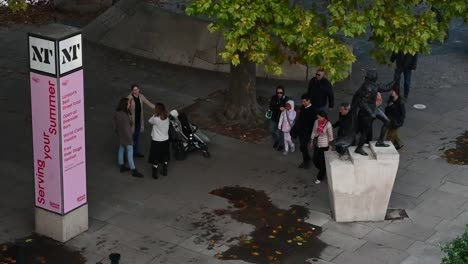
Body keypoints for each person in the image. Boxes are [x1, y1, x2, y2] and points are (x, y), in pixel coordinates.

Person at [353, 70, 392, 156]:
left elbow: (386, 88)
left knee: (387, 121)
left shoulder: (375, 84)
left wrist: (395, 80)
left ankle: (380, 141)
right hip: (367, 112)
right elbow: (362, 103)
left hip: (374, 108)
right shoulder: (366, 87)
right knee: (365, 131)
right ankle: (359, 148)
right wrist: (370, 113)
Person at [114, 97, 144, 178]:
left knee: (121, 148)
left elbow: (116, 125)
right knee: (130, 152)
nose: (130, 104)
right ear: (125, 105)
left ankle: (121, 165)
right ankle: (133, 170)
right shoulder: (125, 115)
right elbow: (128, 129)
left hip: (121, 135)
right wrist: (131, 139)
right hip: (127, 137)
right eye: (129, 103)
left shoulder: (117, 113)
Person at [127, 84, 155, 158]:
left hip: (139, 121)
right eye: (134, 90)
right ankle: (129, 154)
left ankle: (135, 152)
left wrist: (159, 108)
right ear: (132, 91)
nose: (136, 91)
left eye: (137, 89)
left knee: (137, 137)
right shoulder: (129, 98)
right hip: (131, 122)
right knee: (130, 138)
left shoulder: (141, 96)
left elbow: (149, 103)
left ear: (139, 89)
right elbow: (125, 109)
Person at [310, 111, 333, 184]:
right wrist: (311, 140)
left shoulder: (328, 124)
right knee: (315, 160)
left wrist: (330, 147)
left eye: (319, 117)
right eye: (318, 117)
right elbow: (314, 131)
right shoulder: (316, 122)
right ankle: (323, 170)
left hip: (324, 145)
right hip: (317, 144)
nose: (318, 119)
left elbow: (330, 137)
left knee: (322, 162)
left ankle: (320, 177)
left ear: (324, 117)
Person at [148, 103, 170, 179]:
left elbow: (149, 121)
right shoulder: (167, 117)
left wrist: (155, 114)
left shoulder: (155, 118)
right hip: (165, 140)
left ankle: (155, 174)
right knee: (165, 155)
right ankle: (164, 171)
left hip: (157, 140)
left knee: (156, 157)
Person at [294, 94, 315, 169]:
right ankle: (306, 160)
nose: (303, 103)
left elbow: (312, 124)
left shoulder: (313, 110)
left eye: (304, 101)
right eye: (302, 101)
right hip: (301, 131)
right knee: (303, 147)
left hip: (307, 133)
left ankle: (307, 161)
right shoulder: (303, 107)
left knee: (303, 147)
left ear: (309, 101)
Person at [385, 84, 406, 150]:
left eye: (393, 91)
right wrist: (389, 106)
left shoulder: (400, 102)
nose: (391, 92)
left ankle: (388, 147)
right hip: (390, 119)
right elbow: (387, 110)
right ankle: (399, 144)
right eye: (391, 91)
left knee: (390, 135)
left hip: (396, 121)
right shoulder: (391, 99)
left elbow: (402, 113)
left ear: (396, 92)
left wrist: (400, 122)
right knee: (393, 133)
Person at [268, 85, 289, 151]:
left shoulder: (286, 99)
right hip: (274, 117)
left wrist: (282, 107)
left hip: (282, 119)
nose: (279, 94)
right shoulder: (274, 97)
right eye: (278, 92)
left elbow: (288, 107)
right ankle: (276, 140)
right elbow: (271, 107)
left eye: (281, 93)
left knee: (281, 132)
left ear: (283, 92)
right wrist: (279, 107)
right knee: (271, 130)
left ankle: (281, 144)